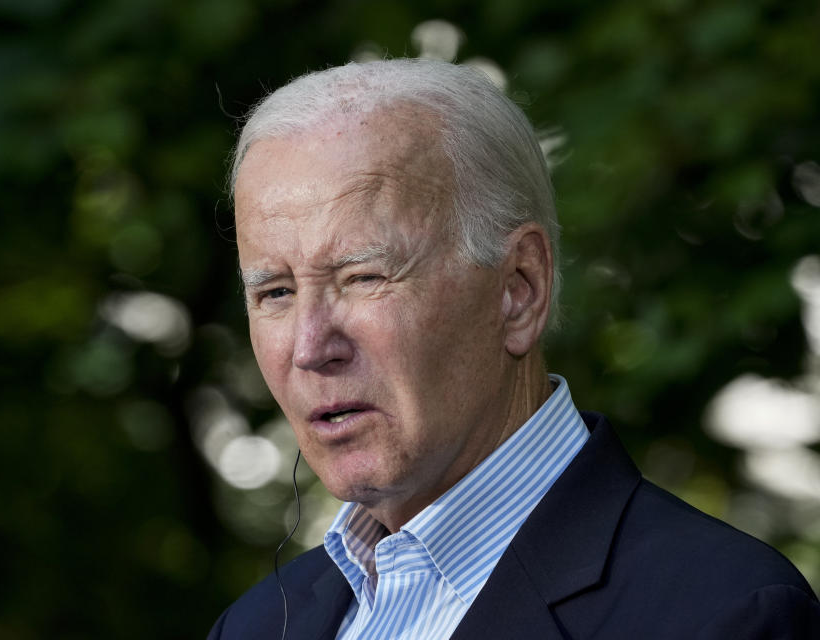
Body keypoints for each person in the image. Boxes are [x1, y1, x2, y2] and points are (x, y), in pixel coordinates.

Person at [208, 58, 820, 639]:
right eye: (276, 292)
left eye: (363, 277)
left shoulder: (722, 615)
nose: (310, 347)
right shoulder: (253, 627)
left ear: (519, 291)